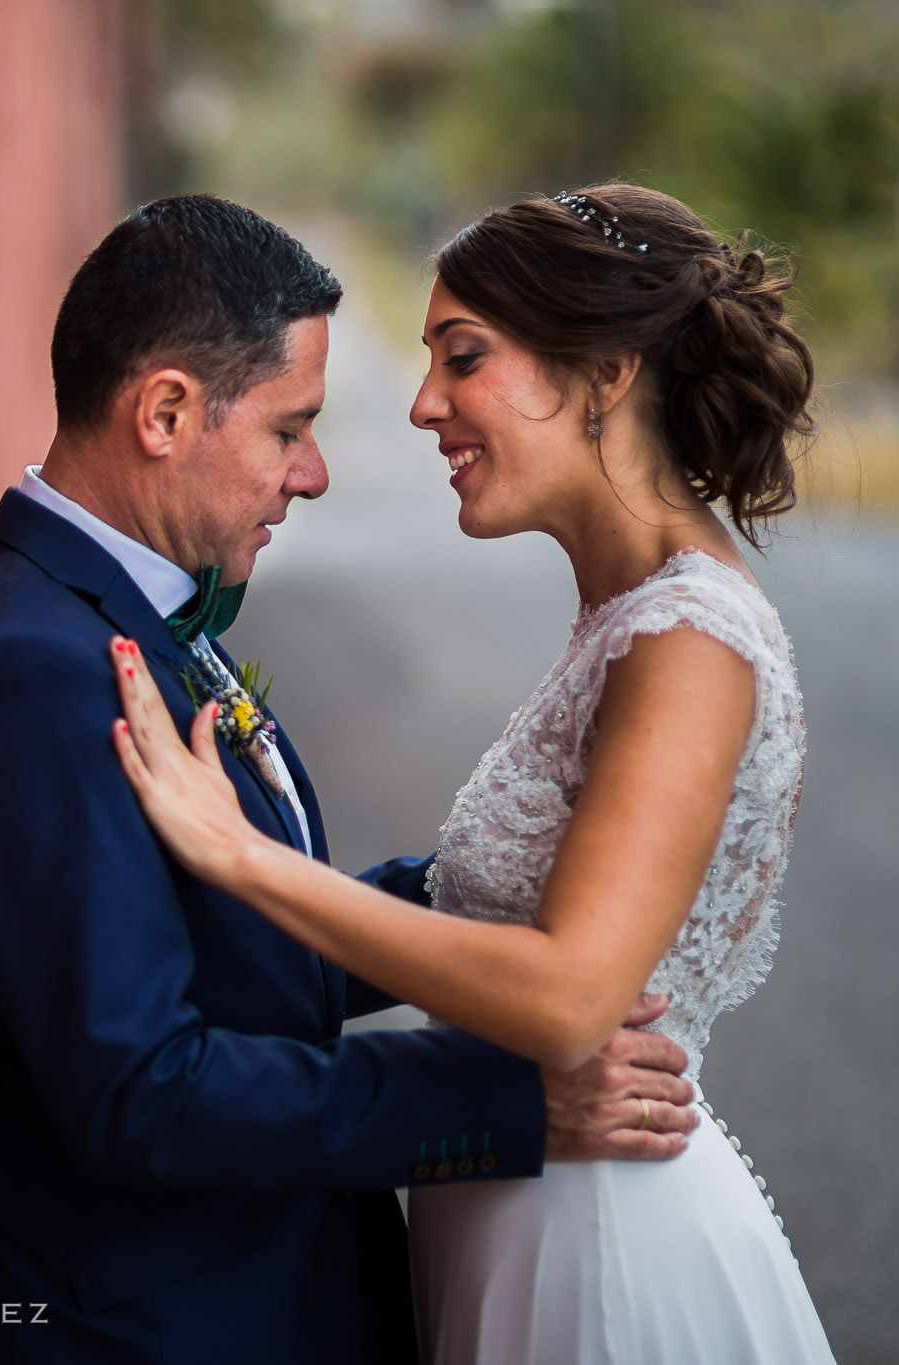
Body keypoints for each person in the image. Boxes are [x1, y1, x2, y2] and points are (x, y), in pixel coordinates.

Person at [0, 194, 698, 1365]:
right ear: (166, 411)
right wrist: (507, 1106)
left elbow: (224, 939)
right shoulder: (28, 666)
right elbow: (144, 1091)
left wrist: (480, 883)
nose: (313, 473)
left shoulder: (129, 607)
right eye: (288, 429)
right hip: (141, 1326)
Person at [107, 184, 836, 1362]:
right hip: (519, 1211)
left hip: (600, 1250)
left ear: (605, 371)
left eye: (463, 358)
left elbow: (565, 996)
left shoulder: (689, 643)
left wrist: (240, 858)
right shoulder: (630, 617)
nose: (422, 404)